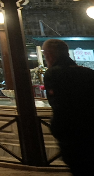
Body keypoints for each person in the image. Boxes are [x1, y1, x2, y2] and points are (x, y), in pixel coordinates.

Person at [42, 38, 94, 175]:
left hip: (70, 132)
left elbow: (57, 104)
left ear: (49, 55)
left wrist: (56, 128)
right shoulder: (88, 72)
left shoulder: (52, 74)